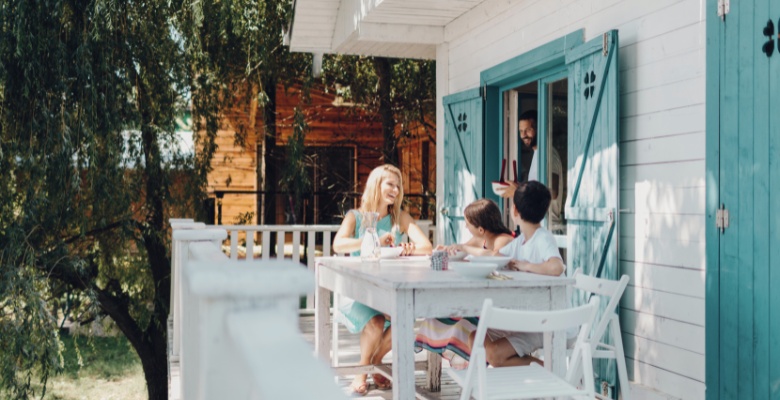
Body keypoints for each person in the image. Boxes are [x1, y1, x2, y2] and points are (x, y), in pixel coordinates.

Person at [332, 164, 432, 395]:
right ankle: (363, 372)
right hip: (357, 292)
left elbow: (426, 246)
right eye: (390, 184)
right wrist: (371, 239)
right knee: (377, 322)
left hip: (386, 291)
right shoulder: (355, 217)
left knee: (403, 319)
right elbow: (338, 245)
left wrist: (407, 248)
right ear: (376, 184)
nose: (396, 190)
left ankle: (374, 361)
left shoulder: (400, 218)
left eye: (398, 186)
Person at [469, 180, 572, 367]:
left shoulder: (542, 238)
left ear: (514, 210)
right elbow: (497, 257)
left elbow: (557, 267)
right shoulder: (522, 241)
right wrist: (467, 251)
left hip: (549, 321)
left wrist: (527, 266)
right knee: (476, 338)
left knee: (494, 353)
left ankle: (555, 376)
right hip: (531, 318)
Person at [414, 198, 514, 369]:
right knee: (437, 317)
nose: (466, 227)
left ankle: (469, 368)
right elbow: (461, 248)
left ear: (481, 228)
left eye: (468, 224)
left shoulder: (504, 239)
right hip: (482, 299)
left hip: (502, 303)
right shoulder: (481, 238)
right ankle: (464, 367)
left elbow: (494, 255)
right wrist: (447, 249)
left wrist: (466, 249)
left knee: (462, 324)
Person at [501, 110, 564, 231]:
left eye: (528, 130)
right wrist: (518, 187)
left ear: (539, 129)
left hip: (549, 227)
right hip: (538, 226)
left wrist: (519, 191)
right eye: (521, 131)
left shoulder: (548, 154)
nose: (524, 135)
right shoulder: (537, 153)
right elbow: (537, 188)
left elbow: (553, 192)